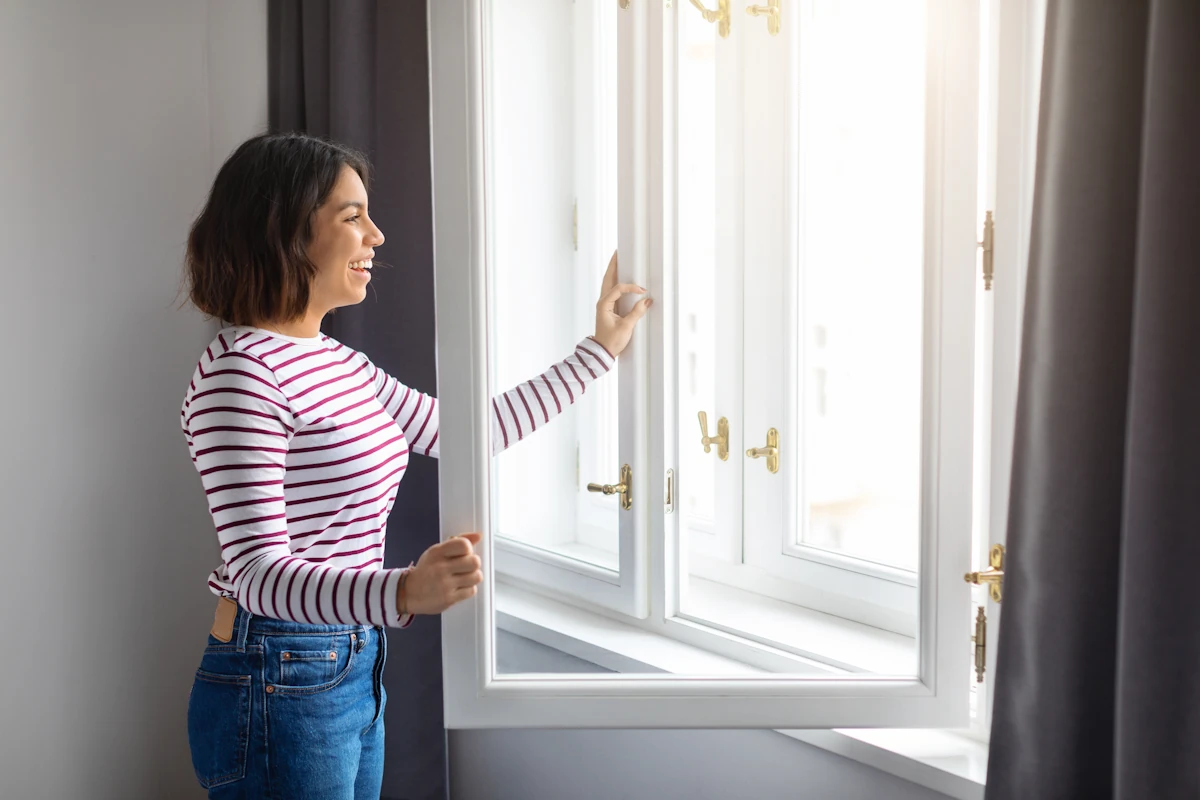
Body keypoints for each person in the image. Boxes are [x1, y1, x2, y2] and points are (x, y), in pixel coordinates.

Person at [181, 132, 651, 799]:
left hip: (349, 656)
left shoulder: (338, 363)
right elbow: (256, 576)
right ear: (284, 229)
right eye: (352, 216)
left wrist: (598, 350)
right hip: (280, 666)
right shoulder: (240, 376)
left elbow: (467, 433)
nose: (376, 235)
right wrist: (402, 592)